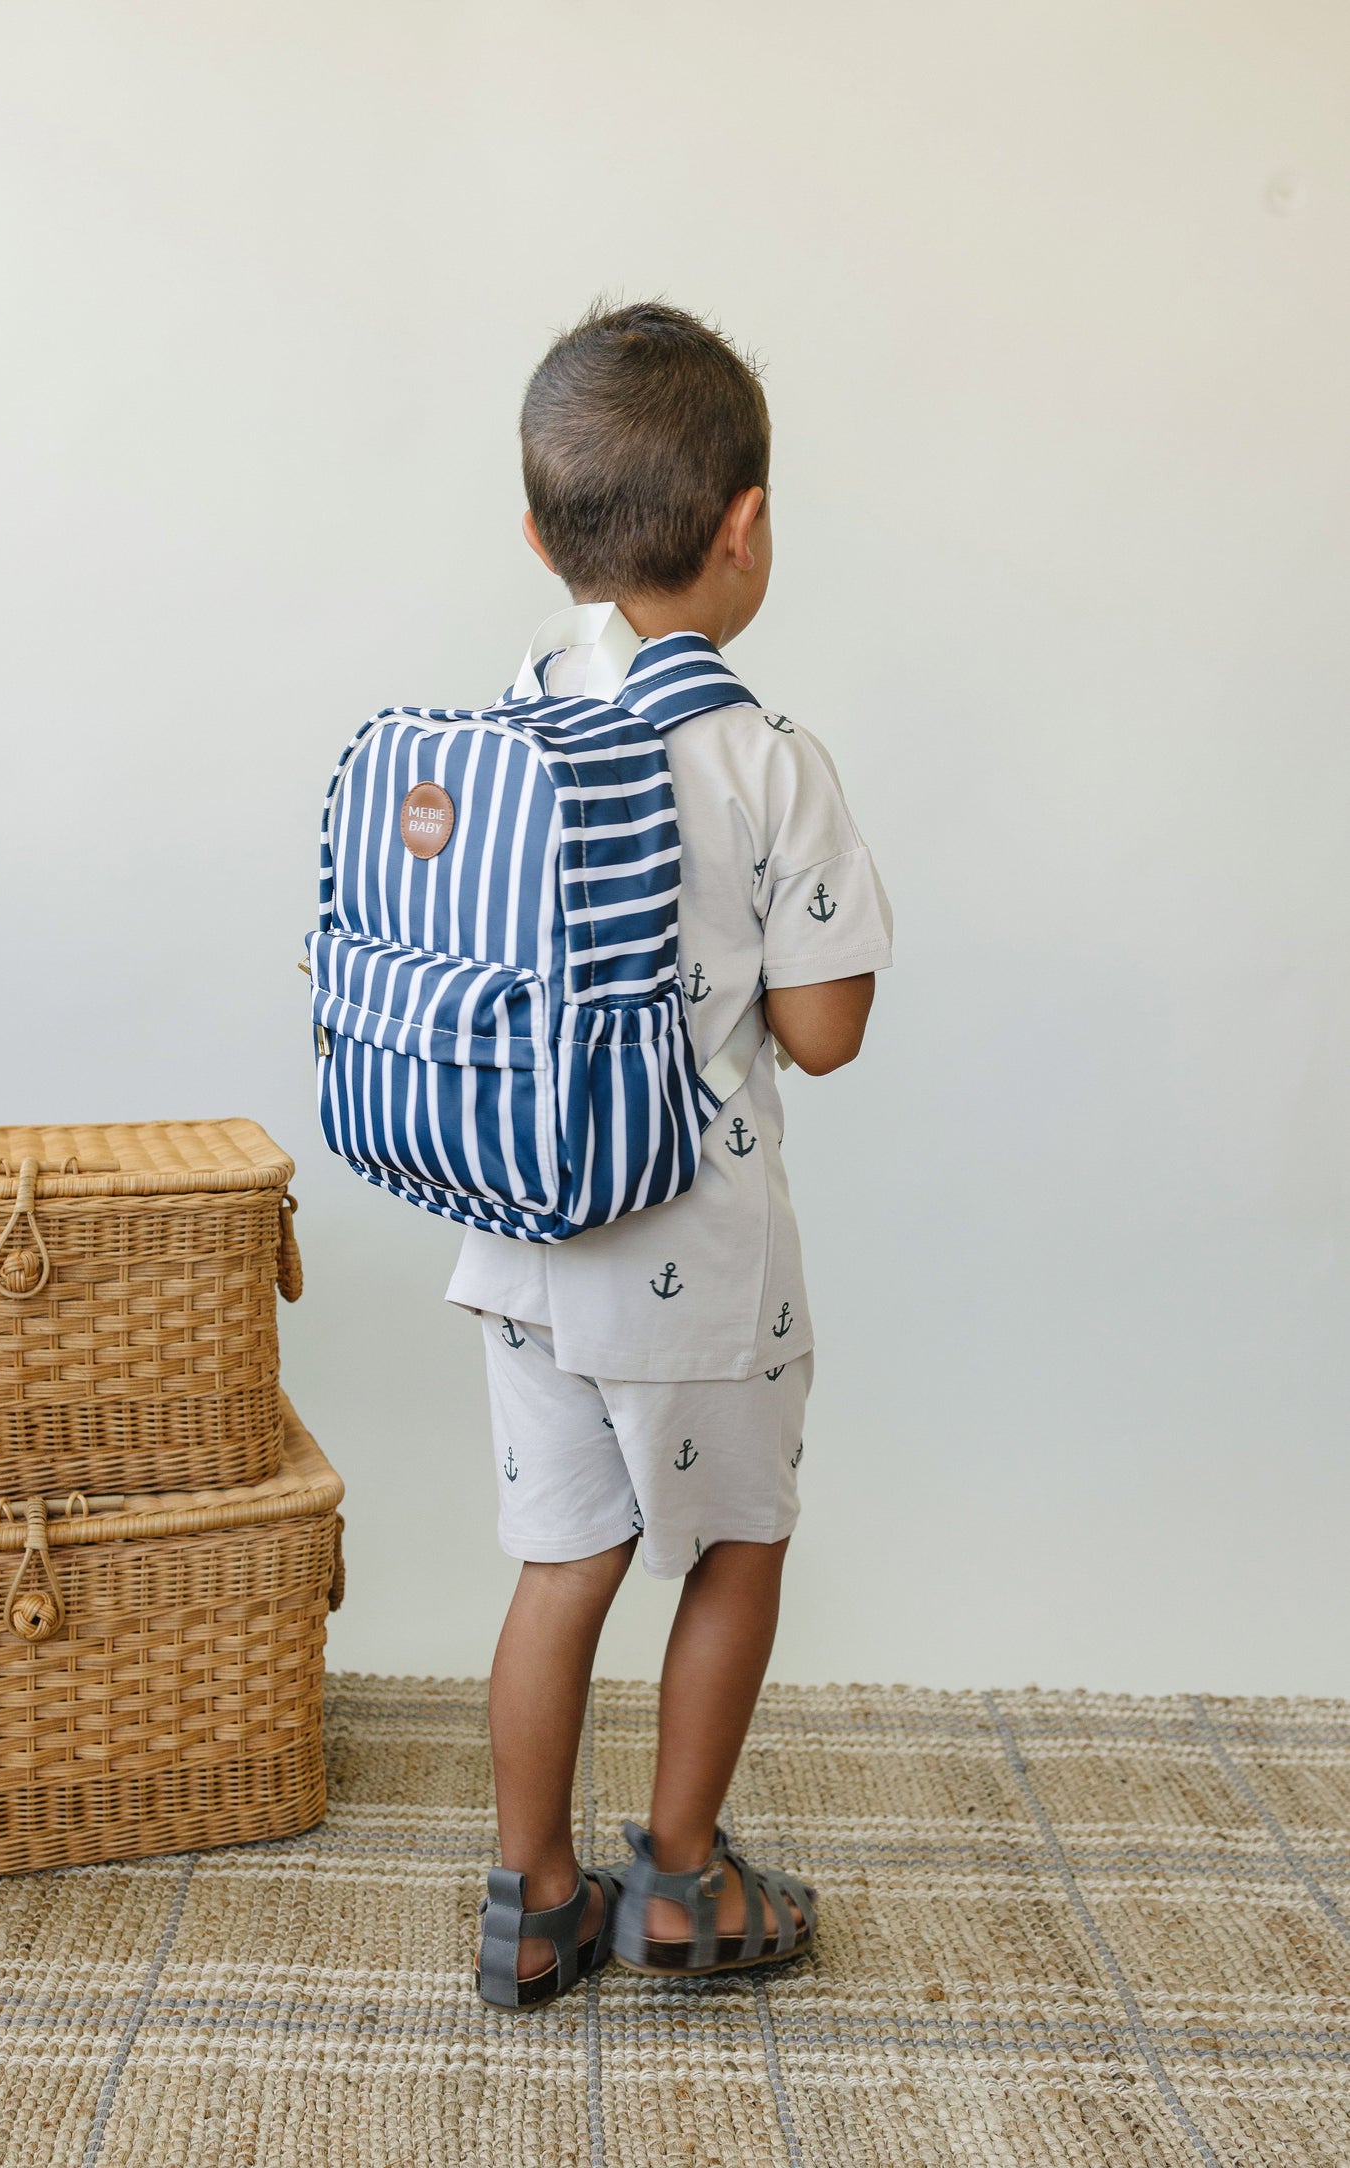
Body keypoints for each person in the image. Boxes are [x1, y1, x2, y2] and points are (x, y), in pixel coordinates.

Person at [449, 301, 895, 2007]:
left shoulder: (507, 720)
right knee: (731, 1545)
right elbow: (825, 1033)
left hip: (516, 1228)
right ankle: (683, 1882)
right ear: (744, 525)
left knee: (558, 1565)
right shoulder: (762, 760)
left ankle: (531, 1894)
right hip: (691, 1258)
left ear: (539, 537)